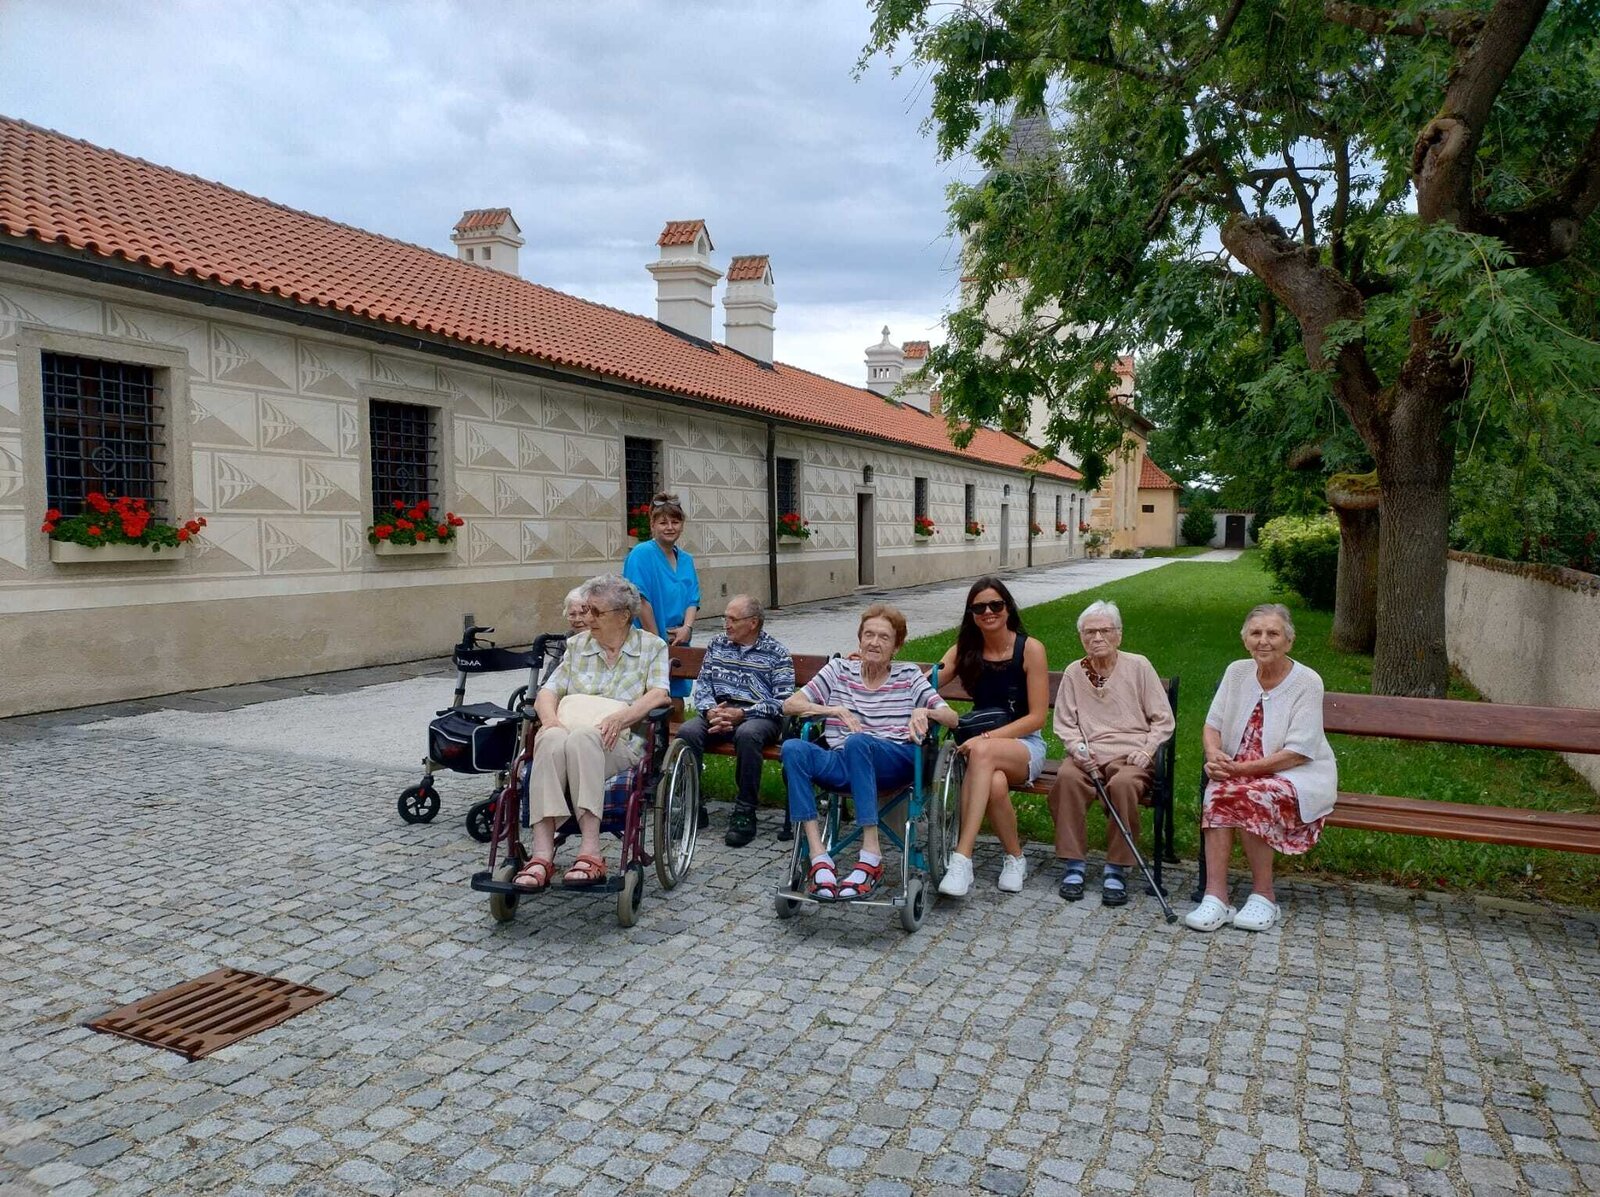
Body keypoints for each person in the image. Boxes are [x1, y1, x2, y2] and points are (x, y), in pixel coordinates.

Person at [781, 604, 958, 900]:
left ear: (896, 646)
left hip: (892, 762)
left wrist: (924, 712)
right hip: (844, 760)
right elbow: (790, 705)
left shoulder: (908, 675)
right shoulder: (838, 670)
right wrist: (833, 709)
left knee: (858, 742)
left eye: (884, 637)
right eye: (869, 635)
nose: (874, 642)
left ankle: (871, 855)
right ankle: (818, 856)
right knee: (794, 748)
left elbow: (951, 717)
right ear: (860, 639)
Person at [1186, 603, 1337, 933]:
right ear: (1245, 640)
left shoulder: (1307, 681)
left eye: (1273, 633)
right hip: (1239, 770)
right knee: (1218, 792)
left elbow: (1298, 753)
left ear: (1289, 641)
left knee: (1252, 794)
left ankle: (1264, 896)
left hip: (1296, 774)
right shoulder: (1237, 672)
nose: (1263, 641)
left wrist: (1241, 771)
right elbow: (1212, 725)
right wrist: (1213, 754)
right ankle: (1216, 896)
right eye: (1255, 633)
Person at [514, 575, 669, 891]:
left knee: (583, 737)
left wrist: (622, 717)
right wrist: (550, 721)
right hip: (570, 733)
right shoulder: (577, 645)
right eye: (586, 610)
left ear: (623, 615)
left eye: (596, 612)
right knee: (550, 737)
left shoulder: (652, 647)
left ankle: (590, 852)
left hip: (619, 742)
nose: (587, 618)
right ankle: (541, 855)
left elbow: (659, 694)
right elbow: (548, 692)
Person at [1048, 600, 1175, 907]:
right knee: (1066, 778)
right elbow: (1065, 723)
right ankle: (1074, 863)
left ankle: (1116, 867)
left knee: (1123, 785)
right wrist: (1078, 749)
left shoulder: (1139, 666)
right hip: (1088, 754)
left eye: (1105, 631)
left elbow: (1163, 719)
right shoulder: (1075, 672)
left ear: (1119, 634)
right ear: (1081, 637)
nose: (1097, 638)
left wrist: (1147, 750)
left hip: (1131, 755)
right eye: (1089, 632)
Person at [934, 576, 1050, 897]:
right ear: (971, 614)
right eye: (979, 608)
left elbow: (1037, 717)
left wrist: (987, 739)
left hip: (1025, 744)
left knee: (983, 754)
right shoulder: (965, 650)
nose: (988, 612)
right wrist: (876, 666)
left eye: (995, 605)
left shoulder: (1030, 649)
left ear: (1008, 608)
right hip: (984, 750)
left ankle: (962, 858)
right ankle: (1016, 858)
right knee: (995, 783)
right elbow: (926, 682)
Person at [674, 594, 794, 847]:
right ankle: (693, 803)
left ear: (753, 622)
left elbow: (783, 702)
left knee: (748, 734)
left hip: (758, 717)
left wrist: (743, 714)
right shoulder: (717, 644)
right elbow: (703, 685)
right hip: (718, 711)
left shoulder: (777, 653)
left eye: (732, 619)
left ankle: (745, 811)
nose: (726, 624)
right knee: (687, 732)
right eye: (725, 618)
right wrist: (710, 712)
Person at [622, 492, 699, 702]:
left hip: (679, 640)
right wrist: (657, 643)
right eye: (663, 522)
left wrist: (687, 628)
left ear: (682, 525)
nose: (670, 527)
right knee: (649, 700)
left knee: (676, 700)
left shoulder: (686, 560)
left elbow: (693, 599)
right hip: (648, 640)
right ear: (653, 525)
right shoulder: (641, 554)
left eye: (675, 522)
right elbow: (640, 600)